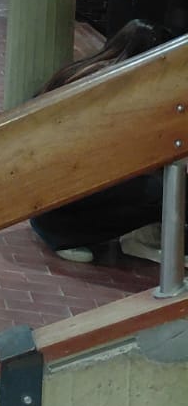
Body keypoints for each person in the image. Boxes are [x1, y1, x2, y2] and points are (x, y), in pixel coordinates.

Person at [29, 20, 177, 263]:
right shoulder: (116, 89)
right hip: (58, 200)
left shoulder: (85, 70)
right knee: (165, 191)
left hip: (38, 195)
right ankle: (68, 233)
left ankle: (61, 227)